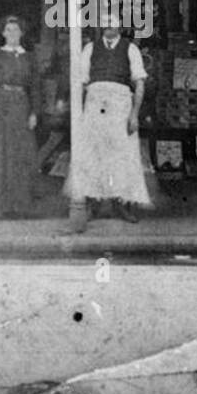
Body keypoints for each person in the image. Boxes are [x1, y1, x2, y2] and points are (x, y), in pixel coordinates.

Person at [66, 14, 150, 231]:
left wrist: (134, 115)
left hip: (121, 106)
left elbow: (139, 84)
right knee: (94, 154)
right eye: (104, 22)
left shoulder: (130, 49)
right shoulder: (90, 49)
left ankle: (121, 203)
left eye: (112, 23)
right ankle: (93, 202)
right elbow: (81, 83)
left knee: (122, 154)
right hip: (95, 106)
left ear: (119, 26)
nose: (108, 26)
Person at [0, 16, 40, 222]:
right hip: (1, 107)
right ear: (3, 33)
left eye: (16, 30)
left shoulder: (30, 58)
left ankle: (19, 206)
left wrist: (34, 113)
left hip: (22, 108)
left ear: (22, 33)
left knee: (21, 156)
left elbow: (35, 87)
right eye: (8, 29)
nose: (12, 33)